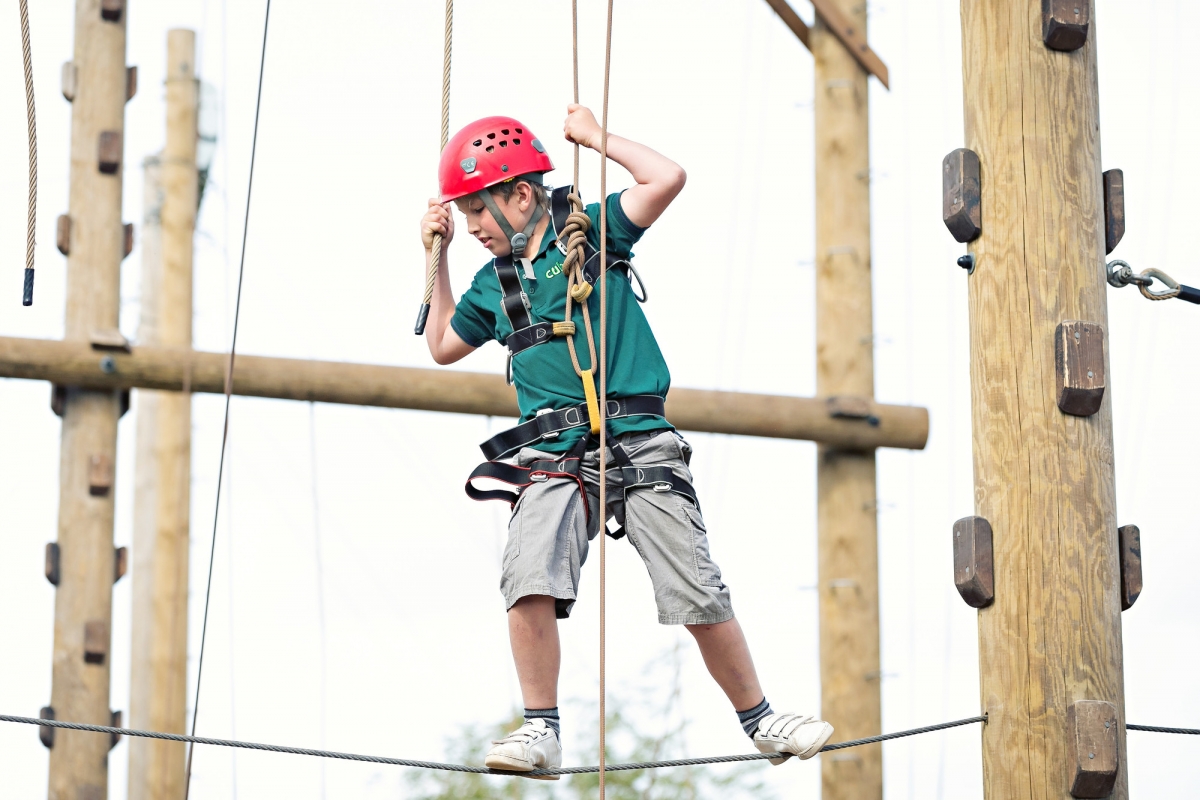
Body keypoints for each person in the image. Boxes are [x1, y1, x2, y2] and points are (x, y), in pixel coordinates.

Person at [418, 105, 833, 776]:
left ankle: (760, 719)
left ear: (522, 195)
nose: (472, 229)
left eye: (479, 213)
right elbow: (441, 344)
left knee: (694, 584)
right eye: (462, 218)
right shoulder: (492, 286)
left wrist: (596, 139)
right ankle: (541, 728)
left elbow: (666, 176)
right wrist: (434, 259)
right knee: (528, 570)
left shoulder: (592, 233)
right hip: (556, 456)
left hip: (637, 438)